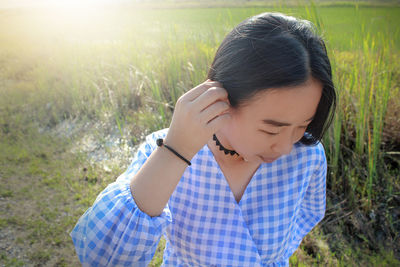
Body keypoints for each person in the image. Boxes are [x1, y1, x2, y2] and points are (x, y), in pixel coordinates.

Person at [70, 12, 336, 266]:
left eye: (302, 126)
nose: (286, 146)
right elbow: (103, 258)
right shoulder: (166, 148)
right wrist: (176, 151)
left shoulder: (307, 156)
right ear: (220, 97)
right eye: (271, 130)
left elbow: (306, 215)